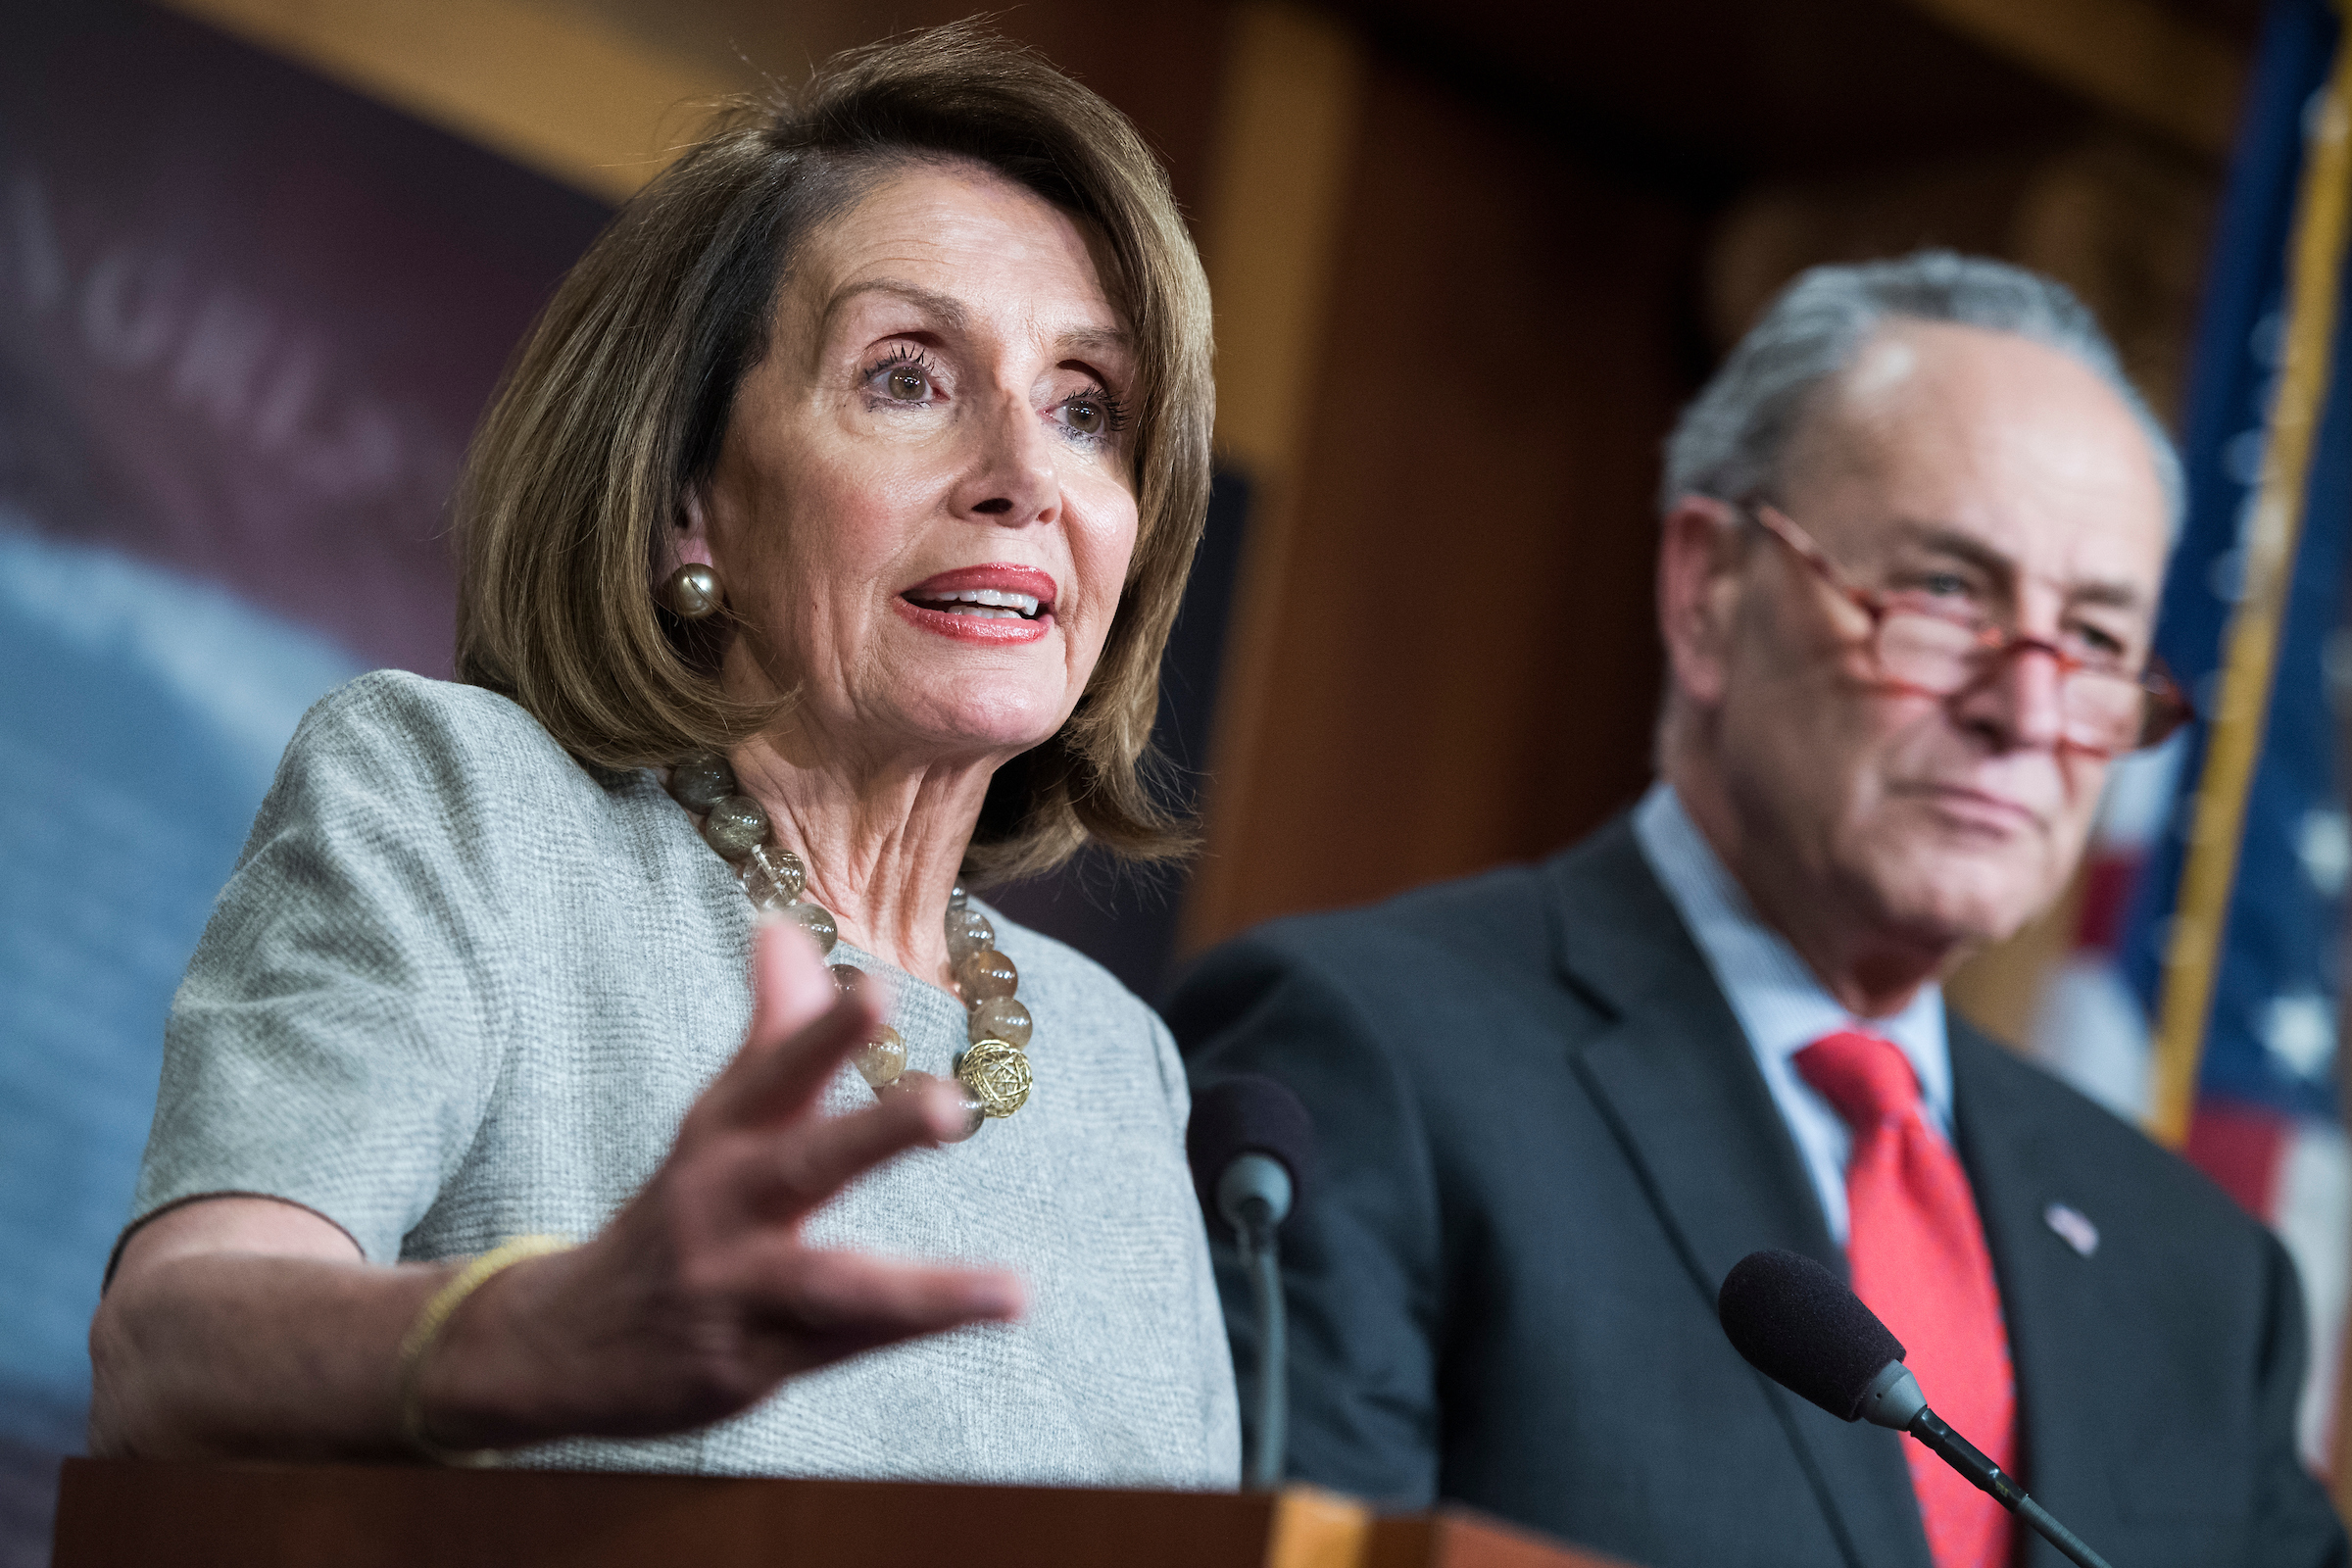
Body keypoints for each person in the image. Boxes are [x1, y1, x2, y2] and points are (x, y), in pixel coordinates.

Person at [89, 25, 1239, 1486]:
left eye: (1088, 409)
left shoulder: (1119, 1065)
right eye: (907, 377)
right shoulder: (463, 810)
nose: (1023, 475)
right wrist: (532, 1336)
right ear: (690, 500)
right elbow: (165, 1353)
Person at [1170, 253, 2349, 1567]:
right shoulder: (1357, 1060)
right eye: (1949, 592)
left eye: (2092, 639)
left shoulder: (2201, 1268)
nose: (2026, 713)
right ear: (1709, 589)